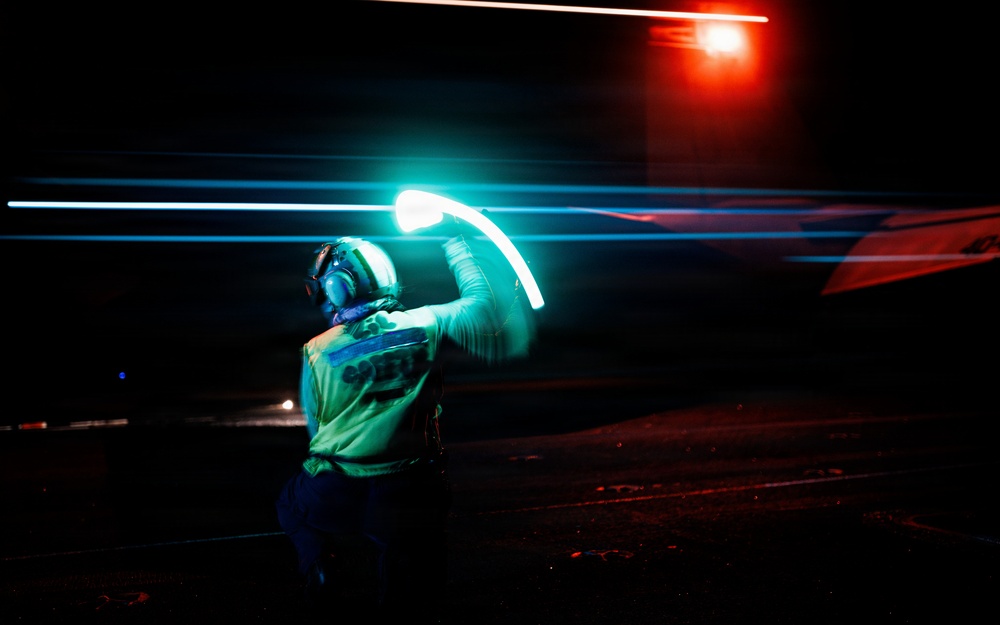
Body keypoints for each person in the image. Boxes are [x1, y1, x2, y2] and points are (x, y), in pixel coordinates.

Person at [275, 230, 534, 623]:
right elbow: (494, 317)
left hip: (336, 485)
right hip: (411, 484)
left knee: (291, 507)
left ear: (338, 288)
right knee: (411, 572)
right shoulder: (427, 323)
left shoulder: (317, 350)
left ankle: (320, 570)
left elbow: (317, 431)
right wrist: (462, 242)